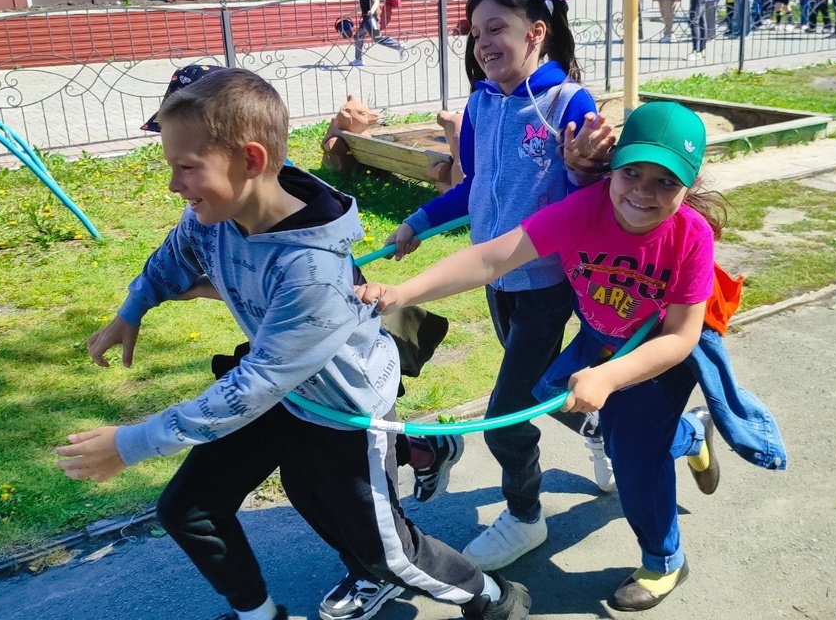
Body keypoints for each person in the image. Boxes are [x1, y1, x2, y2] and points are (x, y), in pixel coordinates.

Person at [55, 67, 531, 620]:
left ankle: (494, 598)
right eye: (172, 166)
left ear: (251, 161)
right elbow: (177, 252)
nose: (173, 184)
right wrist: (131, 310)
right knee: (190, 508)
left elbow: (252, 386)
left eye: (186, 167)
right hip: (284, 393)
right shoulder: (217, 215)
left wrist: (133, 443)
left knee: (387, 552)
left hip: (341, 413)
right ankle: (260, 616)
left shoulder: (313, 272)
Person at [358, 101, 786, 610]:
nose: (644, 192)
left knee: (635, 460)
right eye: (633, 172)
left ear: (688, 187)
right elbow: (494, 256)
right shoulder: (584, 211)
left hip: (655, 359)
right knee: (555, 396)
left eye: (666, 182)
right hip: (601, 339)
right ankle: (689, 435)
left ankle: (664, 560)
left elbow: (681, 337)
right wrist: (403, 293)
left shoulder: (690, 235)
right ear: (615, 166)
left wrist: (608, 378)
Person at [383, 0, 616, 573]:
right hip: (497, 285)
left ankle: (524, 517)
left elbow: (583, 201)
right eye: (476, 31)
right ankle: (615, 433)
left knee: (503, 419)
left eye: (497, 29)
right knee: (541, 390)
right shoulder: (483, 102)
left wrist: (584, 169)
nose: (483, 42)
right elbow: (474, 188)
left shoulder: (569, 104)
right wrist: (417, 221)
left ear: (536, 32)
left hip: (546, 286)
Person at [348, 0, 407, 67]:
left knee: (377, 37)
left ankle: (399, 46)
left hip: (370, 20)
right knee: (358, 37)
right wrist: (348, 15)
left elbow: (376, 0)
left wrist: (371, 11)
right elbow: (361, 6)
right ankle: (358, 60)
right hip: (365, 21)